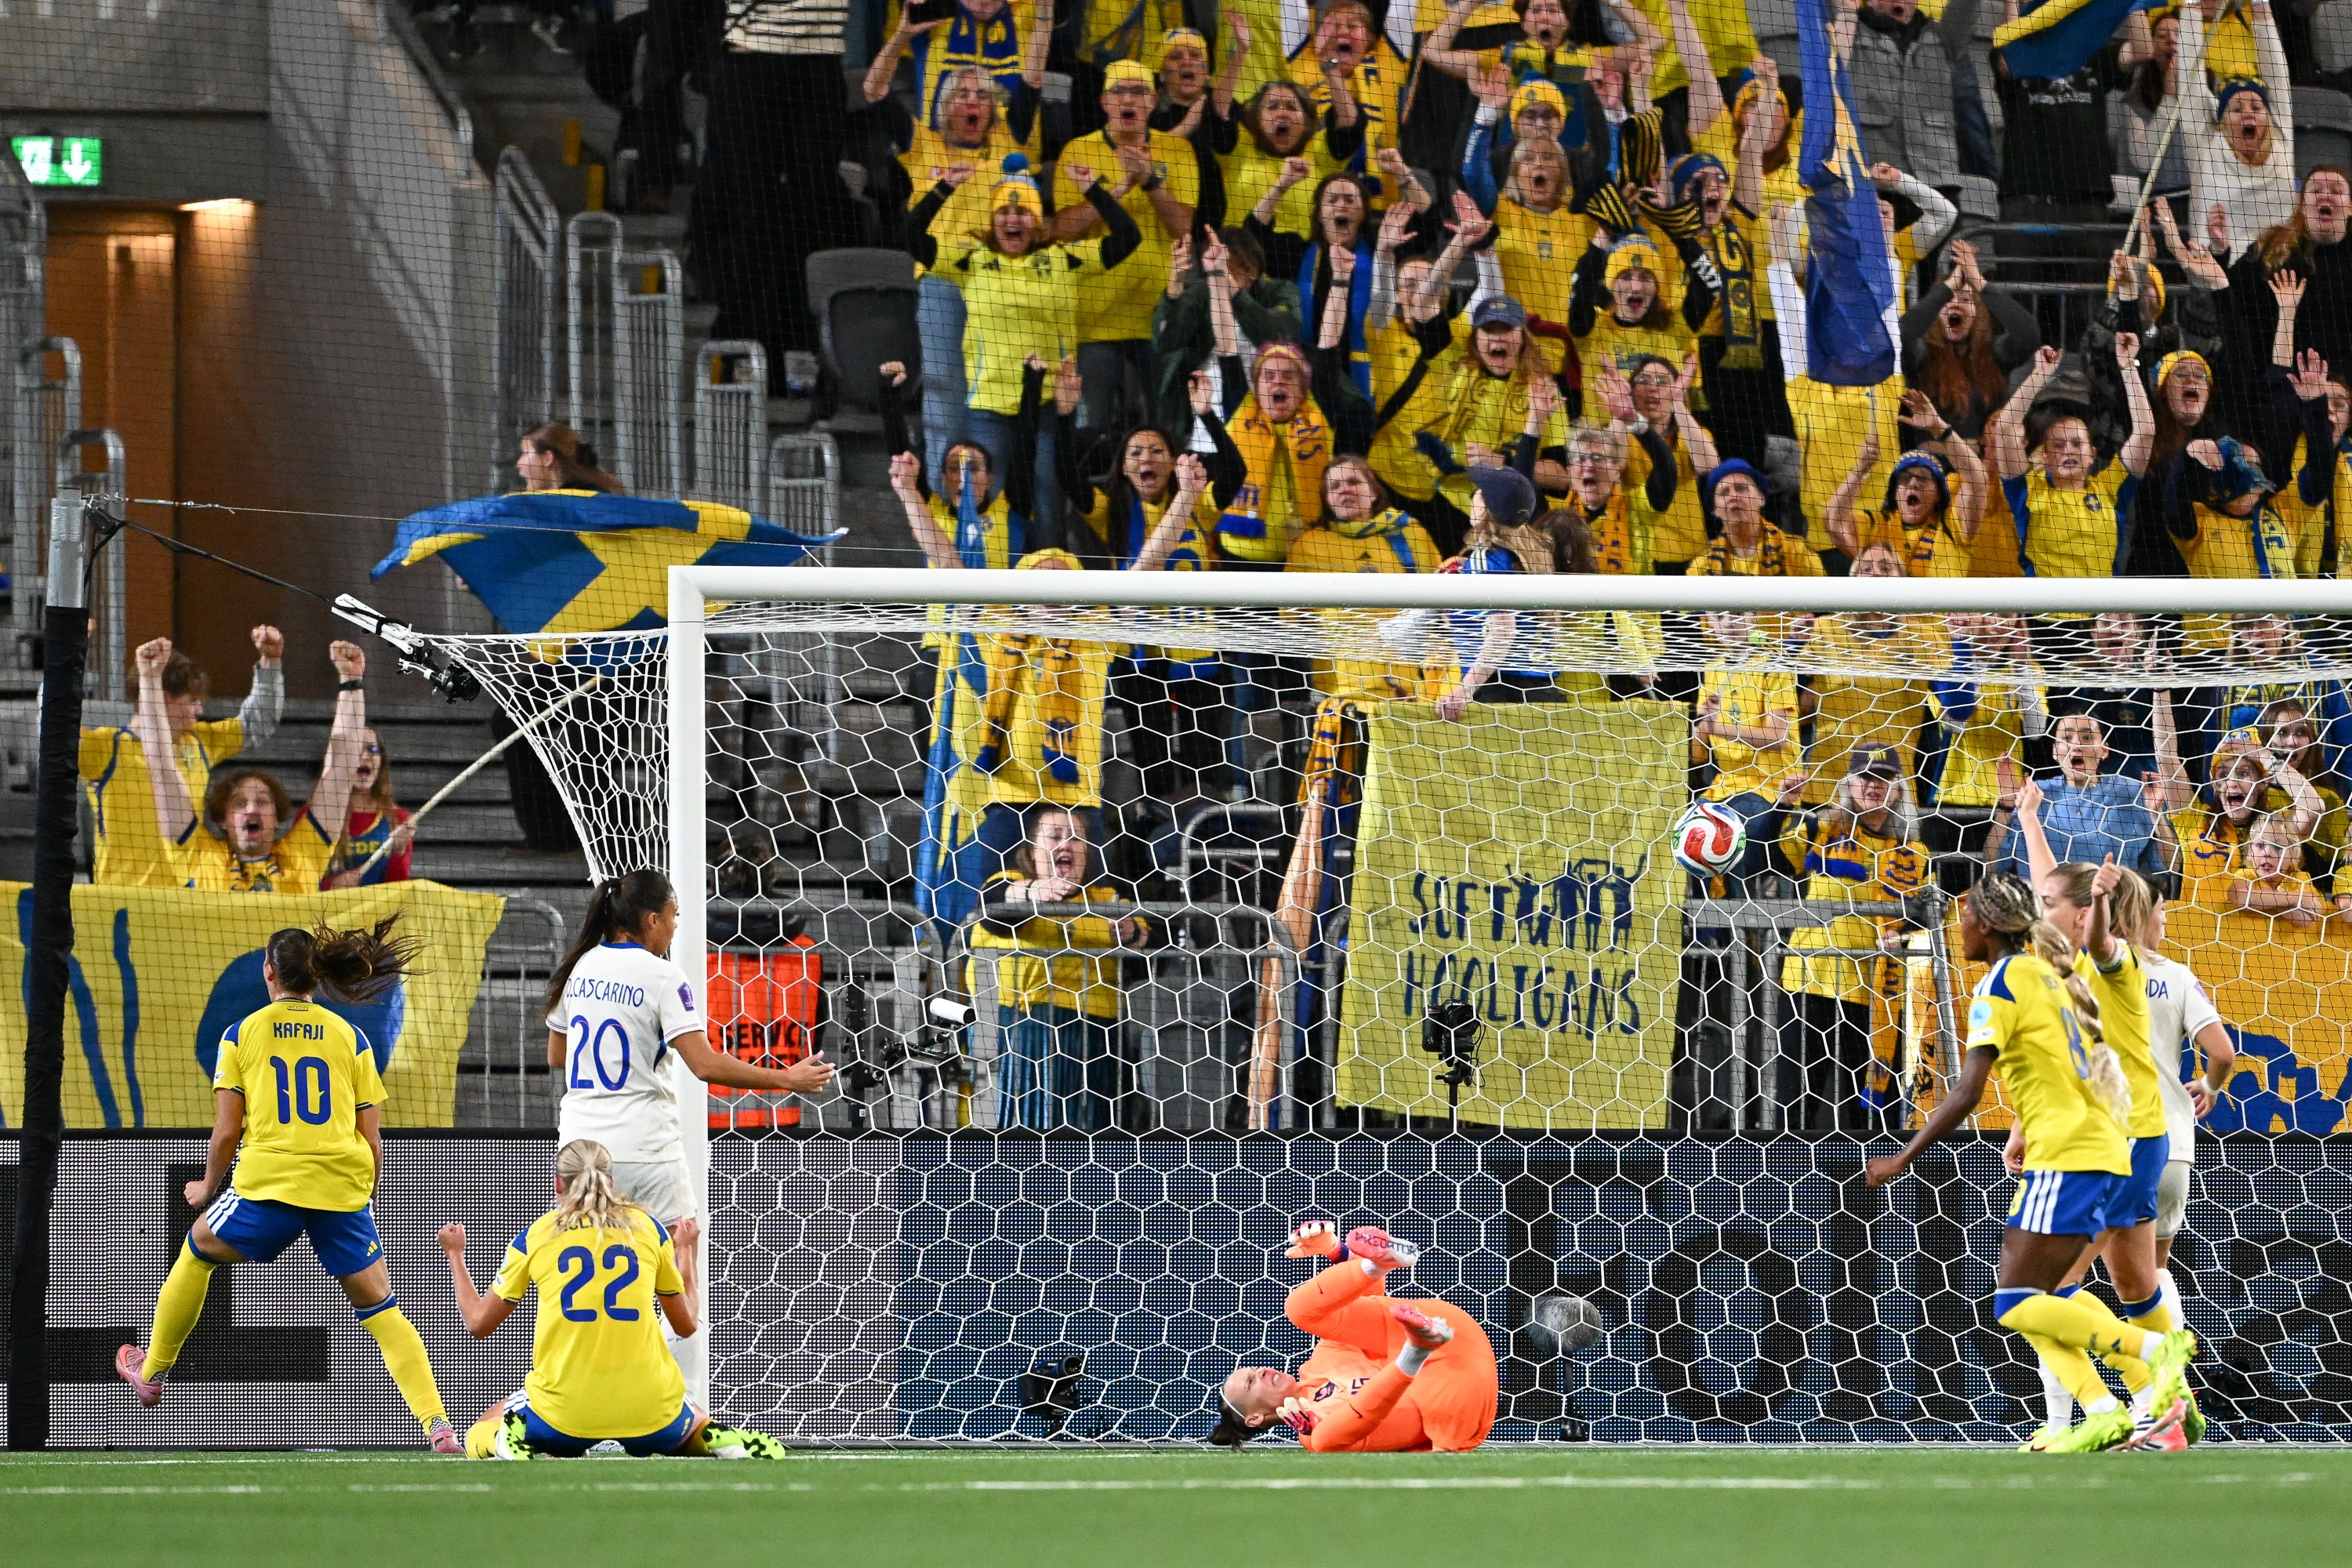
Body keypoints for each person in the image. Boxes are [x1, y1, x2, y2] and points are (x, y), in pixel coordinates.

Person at [1864, 872, 2198, 1455]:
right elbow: (2088, 1056)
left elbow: (1967, 1092)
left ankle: (2152, 1355)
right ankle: (2109, 1407)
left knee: (2017, 1303)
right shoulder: (2055, 972)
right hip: (2098, 1142)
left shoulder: (2001, 985)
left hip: (2068, 1150)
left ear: (1985, 924)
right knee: (2050, 1296)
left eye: (1963, 916)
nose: (1957, 927)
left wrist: (1903, 1155)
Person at [114, 920, 459, 1453]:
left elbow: (228, 1131)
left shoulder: (241, 1034)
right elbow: (373, 1139)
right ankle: (437, 1424)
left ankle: (152, 1370)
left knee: (199, 1246)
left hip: (270, 1186)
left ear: (268, 972)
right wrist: (363, 1195)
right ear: (316, 978)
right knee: (384, 1311)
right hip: (340, 1187)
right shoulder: (352, 1037)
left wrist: (207, 1187)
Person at [2008, 802, 2193, 1449]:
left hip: (2114, 1143)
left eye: (2052, 901)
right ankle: (2167, 1407)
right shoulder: (2064, 957)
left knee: (2041, 1289)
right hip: (2130, 1137)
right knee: (2133, 1283)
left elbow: (2094, 937)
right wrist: (2029, 819)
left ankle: (2112, 1405)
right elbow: (2051, 887)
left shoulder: (2113, 960)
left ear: (2085, 913)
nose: (2039, 906)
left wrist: (2103, 907)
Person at [438, 1139, 786, 1460]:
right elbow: (685, 1324)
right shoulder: (647, 1228)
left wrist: (455, 1254)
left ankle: (503, 1440)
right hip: (648, 1409)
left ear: (559, 1184)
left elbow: (479, 1322)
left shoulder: (540, 1233)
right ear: (612, 1182)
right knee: (693, 1419)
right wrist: (687, 1251)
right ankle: (715, 1439)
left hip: (563, 1413)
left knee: (483, 1426)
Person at [546, 869, 837, 1230]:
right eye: (674, 915)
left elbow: (557, 1057)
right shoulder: (663, 976)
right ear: (653, 920)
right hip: (644, 1151)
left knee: (593, 1268)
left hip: (579, 1149)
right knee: (681, 1268)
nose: (676, 926)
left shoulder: (580, 967)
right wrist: (787, 1079)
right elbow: (704, 1065)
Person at [910, 155, 1145, 528]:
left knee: (1046, 503)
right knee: (993, 506)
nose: (1011, 218)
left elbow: (1128, 237)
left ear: (1036, 223)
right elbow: (912, 237)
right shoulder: (971, 258)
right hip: (988, 408)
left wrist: (1094, 191)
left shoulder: (1064, 259)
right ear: (993, 219)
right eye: (1003, 210)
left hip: (1048, 406)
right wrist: (944, 187)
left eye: (1022, 212)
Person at [869, 53, 1044, 480]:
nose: (972, 101)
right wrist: (904, 37)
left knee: (990, 396)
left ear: (993, 109)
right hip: (942, 281)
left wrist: (1043, 16)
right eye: (962, 94)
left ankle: (993, 503)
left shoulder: (1009, 141)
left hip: (997, 284)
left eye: (982, 95)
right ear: (944, 107)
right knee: (944, 390)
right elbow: (874, 90)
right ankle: (939, 500)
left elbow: (1034, 75)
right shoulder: (922, 143)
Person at [1209, 1221, 1497, 1452]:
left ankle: (1378, 1263)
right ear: (1255, 1418)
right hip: (1451, 1408)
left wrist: (1335, 1251)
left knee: (1299, 1310)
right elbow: (1326, 1438)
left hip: (1453, 1336)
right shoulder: (1313, 1431)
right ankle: (1415, 1350)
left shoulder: (1320, 1362)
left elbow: (1367, 1302)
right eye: (1250, 1382)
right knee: (1321, 1442)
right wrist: (1317, 1425)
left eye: (1253, 1370)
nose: (1261, 1371)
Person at [132, 636, 368, 895]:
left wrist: (351, 682)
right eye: (239, 803)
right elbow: (161, 766)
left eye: (264, 802)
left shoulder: (304, 853)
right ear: (223, 820)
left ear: (277, 818)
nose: (252, 808)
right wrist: (150, 679)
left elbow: (342, 770)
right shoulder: (198, 855)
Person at [1775, 747, 1931, 1131]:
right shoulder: (1822, 830)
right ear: (1848, 785)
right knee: (1795, 1101)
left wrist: (1902, 934)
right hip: (1807, 981)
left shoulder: (1915, 852)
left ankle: (1865, 1191)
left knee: (1864, 1114)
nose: (1874, 787)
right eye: (1865, 778)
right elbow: (1771, 853)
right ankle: (1787, 1187)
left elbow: (1925, 917)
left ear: (1898, 790)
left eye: (1884, 779)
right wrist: (1783, 804)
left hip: (1875, 993)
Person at [969, 806, 1150, 1131]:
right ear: (1031, 850)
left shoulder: (1105, 899)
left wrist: (1130, 931)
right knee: (1026, 1133)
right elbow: (992, 908)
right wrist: (1030, 893)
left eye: (1077, 838)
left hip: (1097, 1034)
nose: (1066, 845)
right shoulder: (1009, 885)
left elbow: (1142, 928)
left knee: (1092, 1132)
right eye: (1054, 837)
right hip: (1024, 1031)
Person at [1055, 60, 1202, 438]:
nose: (1129, 99)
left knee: (1165, 433)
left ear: (1153, 102)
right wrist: (1114, 192)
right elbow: (1062, 232)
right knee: (1090, 434)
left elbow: (1184, 229)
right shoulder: (1077, 150)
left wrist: (1151, 182)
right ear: (1105, 101)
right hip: (1093, 320)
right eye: (1120, 91)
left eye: (1138, 92)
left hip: (1160, 318)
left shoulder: (1179, 151)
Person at [81, 623, 284, 888]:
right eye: (192, 701)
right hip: (123, 902)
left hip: (186, 900)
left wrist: (270, 662)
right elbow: (51, 728)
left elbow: (258, 723)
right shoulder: (106, 748)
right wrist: (68, 655)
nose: (199, 710)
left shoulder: (199, 741)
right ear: (164, 698)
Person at [1993, 339, 2155, 584]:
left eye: (2077, 444)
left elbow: (2146, 433)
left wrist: (2129, 368)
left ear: (2092, 453)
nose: (2068, 450)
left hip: (2100, 617)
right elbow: (2004, 429)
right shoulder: (2027, 491)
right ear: (2045, 457)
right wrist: (2040, 375)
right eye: (2058, 446)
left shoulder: (2110, 488)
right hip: (2045, 617)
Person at [1983, 715, 2172, 886]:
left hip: (2115, 910)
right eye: (2066, 738)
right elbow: (1992, 864)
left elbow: (2171, 866)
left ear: (2104, 750)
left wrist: (2156, 815)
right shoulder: (2034, 794)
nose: (2076, 745)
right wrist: (2007, 805)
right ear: (2055, 752)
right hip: (2045, 913)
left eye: (2087, 738)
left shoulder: (2133, 793)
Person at [1152, 228, 1303, 441]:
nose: (1218, 268)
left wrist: (1233, 291)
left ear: (1251, 270)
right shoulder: (1201, 296)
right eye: (1214, 262)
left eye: (1226, 263)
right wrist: (1175, 285)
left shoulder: (1280, 290)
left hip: (1267, 402)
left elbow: (1277, 333)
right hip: (1209, 404)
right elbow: (1163, 341)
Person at [1824, 390, 1987, 577]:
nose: (1914, 483)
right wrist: (1861, 469)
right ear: (1894, 491)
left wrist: (1939, 428)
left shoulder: (1952, 525)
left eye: (1924, 478)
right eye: (1904, 477)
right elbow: (1833, 521)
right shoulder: (1877, 525)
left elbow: (1977, 478)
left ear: (1939, 494)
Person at [2183, 0, 2294, 254]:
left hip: (2276, 270)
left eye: (2256, 108)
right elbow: (2189, 77)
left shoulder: (2280, 141)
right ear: (2221, 123)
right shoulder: (2205, 147)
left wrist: (2258, 2)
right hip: (2215, 277)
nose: (2248, 115)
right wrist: (2191, 5)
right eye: (2236, 109)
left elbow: (2277, 72)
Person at [324, 731, 414, 890]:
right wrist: (332, 885)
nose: (365, 756)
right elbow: (303, 880)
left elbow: (397, 888)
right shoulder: (316, 815)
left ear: (382, 762)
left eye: (372, 750)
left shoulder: (399, 818)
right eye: (355, 750)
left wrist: (399, 851)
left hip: (378, 913)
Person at [2223, 811, 2332, 925]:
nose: (2267, 853)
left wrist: (2265, 899)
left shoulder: (2300, 878)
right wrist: (2297, 899)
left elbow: (2305, 919)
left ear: (2293, 855)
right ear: (2250, 853)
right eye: (2260, 846)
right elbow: (2241, 898)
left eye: (2278, 847)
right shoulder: (2245, 874)